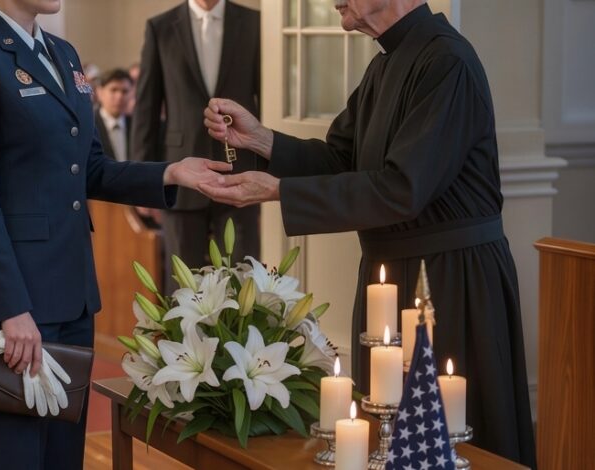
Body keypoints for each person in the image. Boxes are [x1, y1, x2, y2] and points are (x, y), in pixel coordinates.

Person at [201, 1, 536, 468]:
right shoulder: (386, 63)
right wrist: (262, 140)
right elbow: (342, 160)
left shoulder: (448, 62)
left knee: (449, 441)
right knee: (389, 437)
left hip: (450, 284)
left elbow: (403, 188)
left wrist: (278, 191)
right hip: (394, 276)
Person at [0, 1, 229, 469]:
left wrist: (170, 173)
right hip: (10, 303)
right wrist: (11, 309)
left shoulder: (61, 52)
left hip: (69, 297)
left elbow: (88, 167)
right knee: (12, 457)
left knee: (61, 457)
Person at [132, 0, 262, 290]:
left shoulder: (254, 23)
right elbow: (146, 108)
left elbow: (268, 99)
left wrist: (270, 167)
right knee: (182, 282)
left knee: (243, 277)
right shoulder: (160, 27)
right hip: (181, 173)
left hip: (240, 168)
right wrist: (144, 181)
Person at [94, 68, 133, 162]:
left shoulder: (137, 125)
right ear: (100, 92)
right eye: (113, 90)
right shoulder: (90, 125)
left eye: (125, 91)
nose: (119, 97)